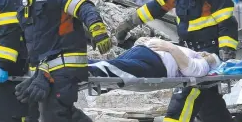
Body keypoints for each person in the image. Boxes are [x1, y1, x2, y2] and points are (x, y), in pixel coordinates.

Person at [89, 38, 220, 80]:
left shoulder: (204, 65)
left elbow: (191, 69)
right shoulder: (192, 52)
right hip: (143, 51)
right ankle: (77, 66)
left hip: (155, 63)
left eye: (208, 55)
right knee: (112, 66)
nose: (205, 53)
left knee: (113, 69)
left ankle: (80, 67)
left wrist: (170, 47)